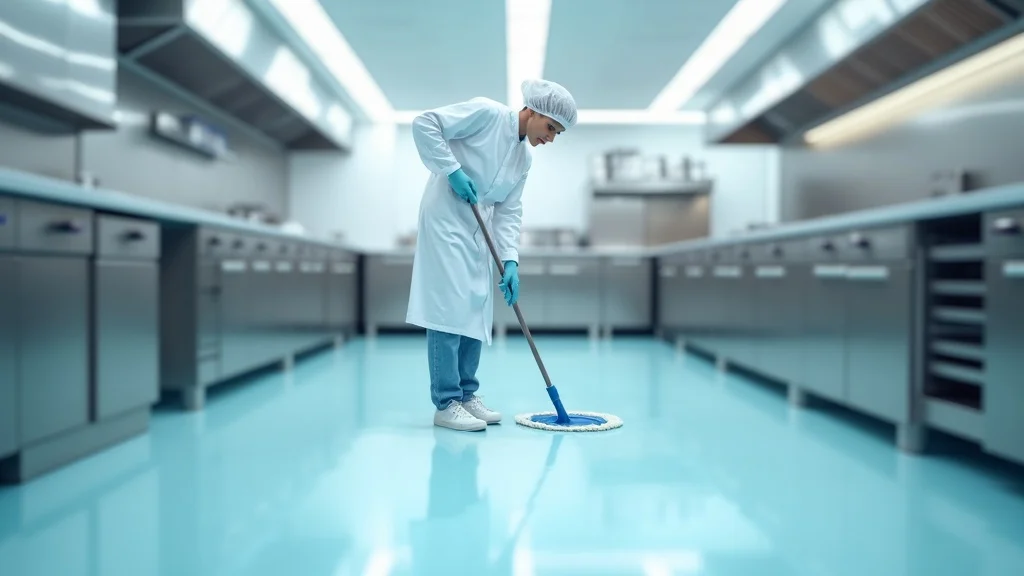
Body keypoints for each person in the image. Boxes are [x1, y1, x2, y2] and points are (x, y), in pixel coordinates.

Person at [406, 79, 578, 432]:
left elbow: (509, 211)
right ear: (532, 111)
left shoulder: (523, 158)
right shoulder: (487, 114)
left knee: (474, 305)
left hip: (477, 229)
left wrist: (511, 260)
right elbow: (425, 123)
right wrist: (451, 171)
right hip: (445, 221)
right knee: (447, 308)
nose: (551, 138)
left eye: (558, 133)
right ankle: (446, 402)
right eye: (550, 127)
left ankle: (468, 395)